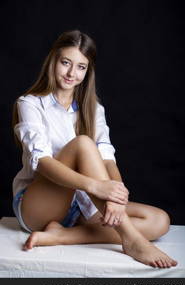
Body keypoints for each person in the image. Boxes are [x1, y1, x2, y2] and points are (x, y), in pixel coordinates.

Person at [12, 29, 177, 268]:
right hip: (38, 206)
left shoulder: (94, 109)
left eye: (81, 67)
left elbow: (108, 159)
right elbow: (43, 162)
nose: (71, 73)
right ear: (53, 60)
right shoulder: (30, 103)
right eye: (65, 62)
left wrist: (117, 198)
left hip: (81, 207)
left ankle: (61, 236)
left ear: (88, 71)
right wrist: (97, 187)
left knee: (159, 220)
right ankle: (131, 240)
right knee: (83, 144)